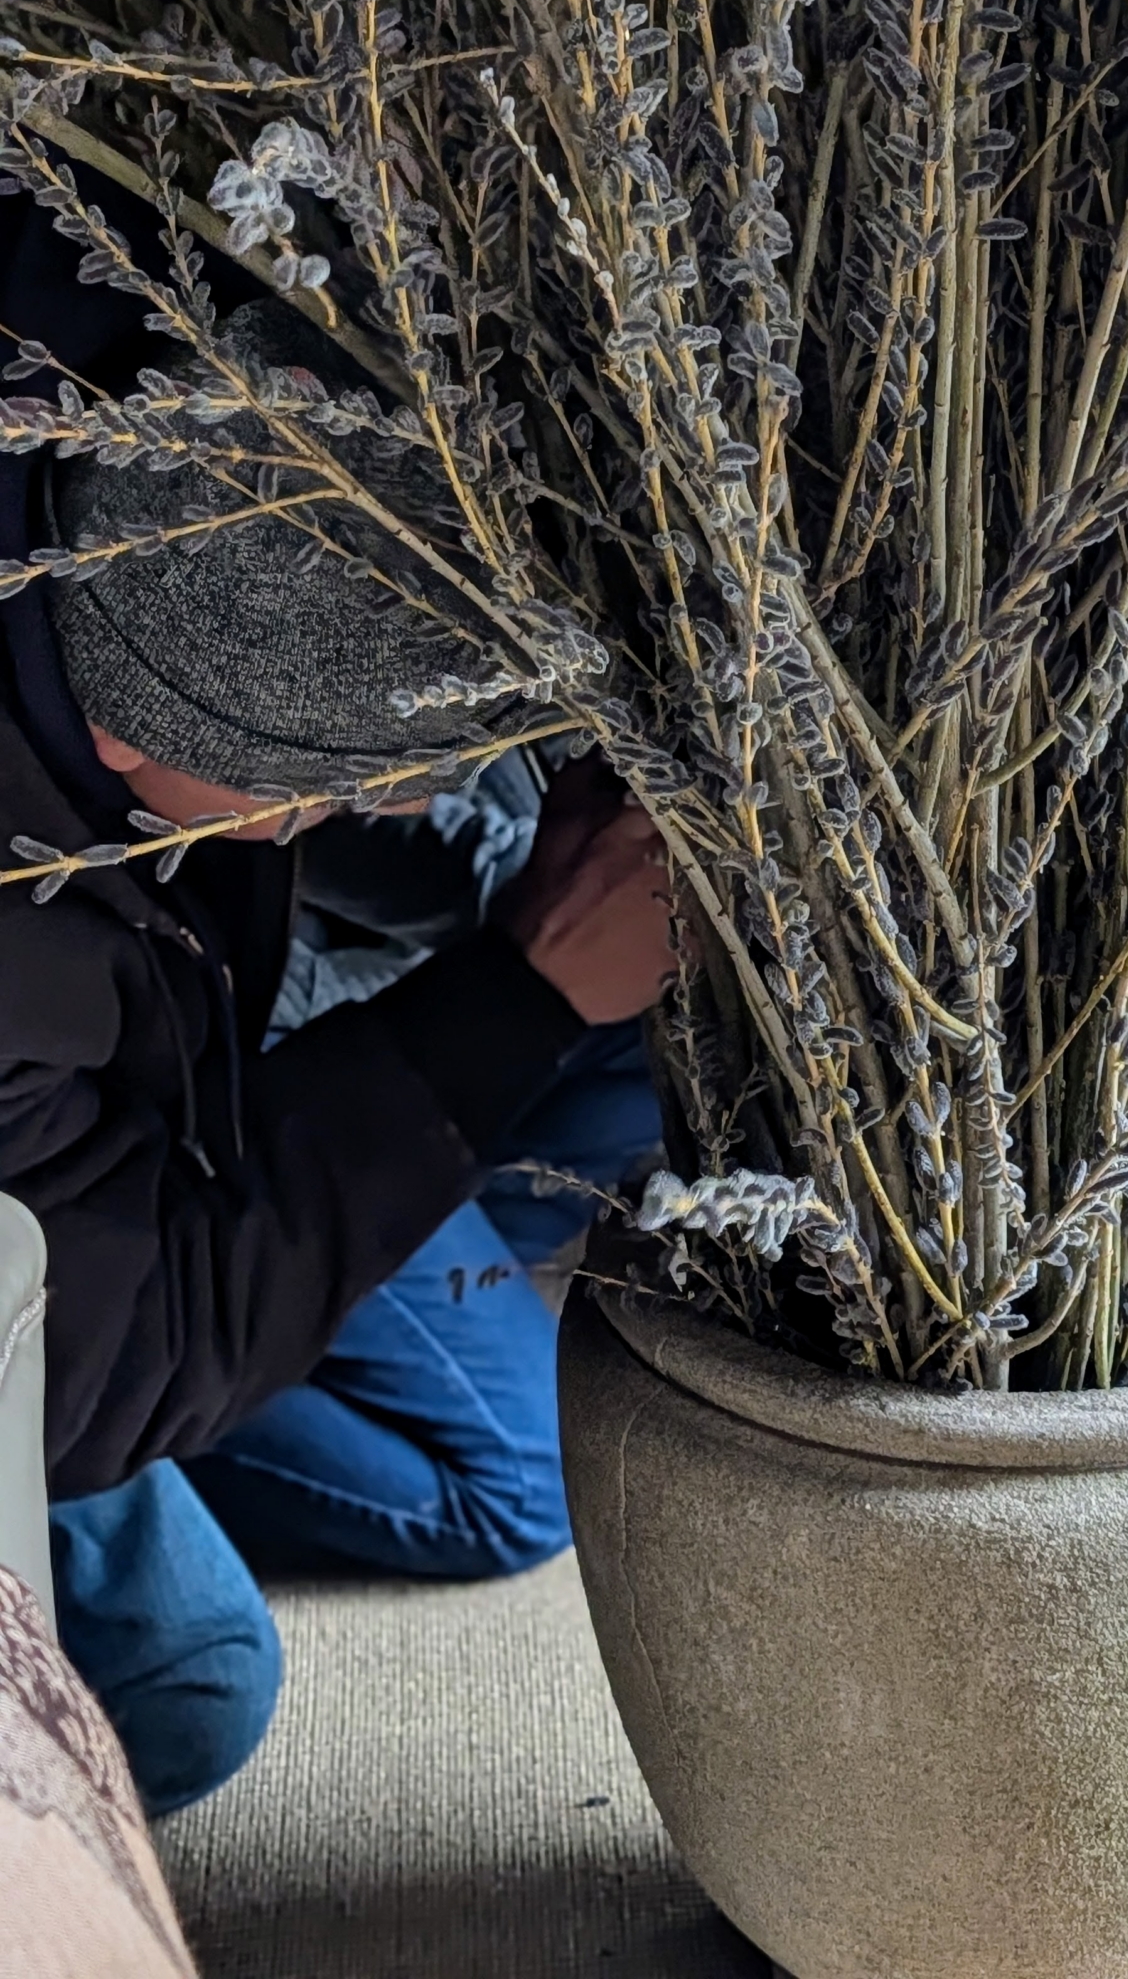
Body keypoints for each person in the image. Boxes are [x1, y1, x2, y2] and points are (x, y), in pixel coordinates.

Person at [0, 218, 676, 1817]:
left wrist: (543, 900)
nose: (372, 807)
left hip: (180, 1026)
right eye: (321, 792)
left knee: (628, 1061)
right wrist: (513, 993)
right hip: (79, 1272)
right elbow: (112, 1350)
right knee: (434, 1526)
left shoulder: (108, 350)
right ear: (127, 730)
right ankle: (232, 1383)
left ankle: (348, 1263)